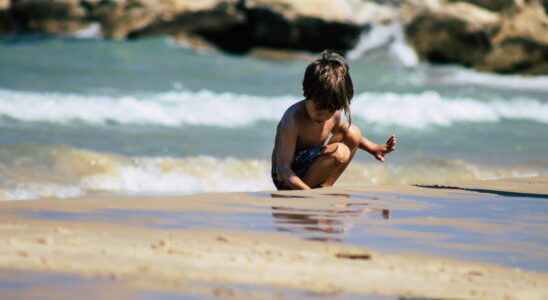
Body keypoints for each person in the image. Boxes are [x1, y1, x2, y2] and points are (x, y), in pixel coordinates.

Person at [271, 50, 396, 190]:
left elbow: (352, 136)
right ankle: (306, 193)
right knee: (340, 152)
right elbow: (283, 169)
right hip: (286, 178)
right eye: (318, 109)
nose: (323, 115)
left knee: (352, 132)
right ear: (307, 93)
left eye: (330, 110)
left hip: (310, 165)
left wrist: (373, 149)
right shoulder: (293, 120)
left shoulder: (333, 113)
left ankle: (323, 188)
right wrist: (307, 194)